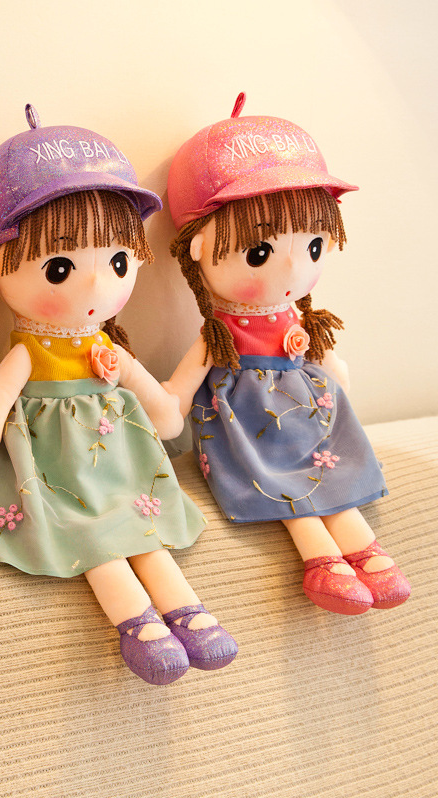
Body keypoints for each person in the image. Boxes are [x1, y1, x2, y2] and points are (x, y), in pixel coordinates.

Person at [0, 105, 237, 685]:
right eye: (60, 267)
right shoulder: (29, 351)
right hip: (58, 469)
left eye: (116, 260)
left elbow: (153, 401)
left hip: (122, 465)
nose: (96, 282)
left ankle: (187, 609)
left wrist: (162, 408)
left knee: (140, 527)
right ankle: (137, 622)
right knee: (92, 534)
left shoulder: (107, 345)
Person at [164, 93, 410, 615]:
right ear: (198, 248)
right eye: (260, 252)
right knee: (283, 484)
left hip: (310, 417)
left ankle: (366, 551)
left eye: (313, 247)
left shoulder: (301, 316)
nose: (295, 269)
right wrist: (168, 402)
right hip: (251, 427)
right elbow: (181, 390)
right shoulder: (219, 333)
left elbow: (327, 360)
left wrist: (334, 370)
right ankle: (321, 561)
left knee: (329, 471)